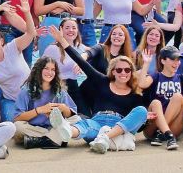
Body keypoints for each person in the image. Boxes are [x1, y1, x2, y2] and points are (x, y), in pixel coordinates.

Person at [50, 26, 148, 154]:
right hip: (97, 121)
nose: (123, 73)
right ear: (112, 71)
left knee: (142, 111)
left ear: (131, 72)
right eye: (118, 70)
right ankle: (67, 130)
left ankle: (105, 137)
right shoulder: (103, 81)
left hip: (119, 124)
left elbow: (138, 123)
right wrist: (62, 41)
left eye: (127, 70)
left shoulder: (134, 92)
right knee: (86, 125)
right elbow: (80, 61)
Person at [138, 46, 183, 150]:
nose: (177, 63)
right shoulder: (156, 76)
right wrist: (146, 64)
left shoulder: (181, 78)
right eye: (173, 59)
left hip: (173, 127)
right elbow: (142, 83)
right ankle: (165, 133)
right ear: (163, 61)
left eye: (178, 60)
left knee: (178, 97)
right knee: (155, 103)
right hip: (153, 127)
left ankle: (163, 133)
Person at [0, 0, 36, 122]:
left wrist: (27, 12)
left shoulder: (13, 47)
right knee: (11, 125)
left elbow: (31, 33)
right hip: (11, 100)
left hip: (32, 96)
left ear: (2, 40)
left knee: (37, 121)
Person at [13, 56, 80, 149]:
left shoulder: (59, 90)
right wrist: (40, 110)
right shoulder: (27, 90)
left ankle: (38, 141)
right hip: (33, 127)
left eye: (53, 70)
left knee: (77, 120)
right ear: (39, 70)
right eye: (46, 68)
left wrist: (64, 108)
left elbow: (71, 115)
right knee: (17, 127)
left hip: (53, 127)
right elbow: (17, 118)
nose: (50, 72)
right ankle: (54, 139)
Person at [42, 18, 89, 117]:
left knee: (85, 116)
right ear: (61, 30)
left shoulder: (80, 47)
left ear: (77, 31)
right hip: (57, 86)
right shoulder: (52, 49)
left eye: (74, 28)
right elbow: (39, 68)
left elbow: (97, 51)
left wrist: (84, 57)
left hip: (74, 86)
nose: (71, 30)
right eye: (67, 27)